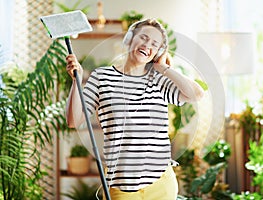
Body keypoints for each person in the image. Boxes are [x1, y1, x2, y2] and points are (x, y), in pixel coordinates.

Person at [65, 18, 204, 200]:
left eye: (155, 44)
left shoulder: (159, 79)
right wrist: (77, 80)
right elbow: (73, 121)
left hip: (161, 183)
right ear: (129, 39)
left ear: (157, 52)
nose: (147, 45)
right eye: (143, 38)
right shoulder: (102, 77)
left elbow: (196, 94)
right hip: (122, 186)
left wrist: (162, 67)